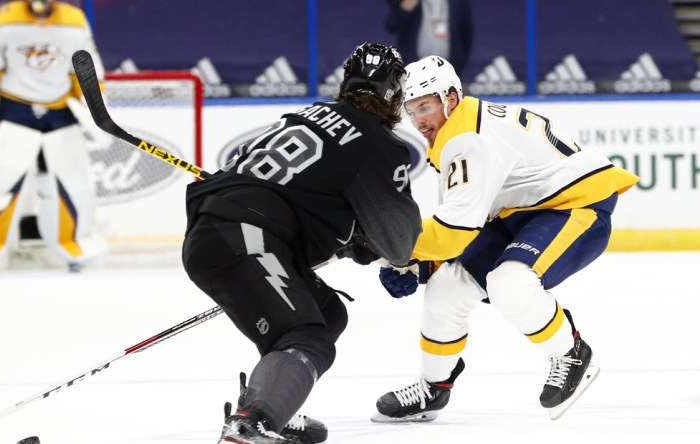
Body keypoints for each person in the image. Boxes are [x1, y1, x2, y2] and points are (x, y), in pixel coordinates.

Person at [372, 55, 639, 423]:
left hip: (577, 205)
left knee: (509, 283)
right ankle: (434, 386)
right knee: (447, 286)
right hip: (521, 213)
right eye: (412, 110)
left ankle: (571, 353)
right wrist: (420, 263)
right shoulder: (460, 126)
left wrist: (396, 252)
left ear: (450, 98)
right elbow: (465, 218)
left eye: (426, 106)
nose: (419, 120)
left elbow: (452, 233)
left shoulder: (467, 139)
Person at [182, 42, 422, 443]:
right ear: (395, 94)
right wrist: (364, 241)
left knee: (327, 315)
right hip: (247, 238)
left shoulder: (307, 115)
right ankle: (250, 423)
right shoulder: (378, 143)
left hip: (217, 232)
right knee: (307, 336)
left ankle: (276, 401)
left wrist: (351, 236)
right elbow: (399, 243)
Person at [0, 0, 107, 272]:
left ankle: (74, 247)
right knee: (1, 182)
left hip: (60, 114)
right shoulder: (6, 18)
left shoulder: (74, 20)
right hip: (14, 110)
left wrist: (95, 105)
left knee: (72, 184)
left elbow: (87, 70)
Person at [384, 0, 473, 75]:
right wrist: (404, 9)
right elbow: (392, 26)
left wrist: (459, 63)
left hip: (447, 69)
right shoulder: (411, 1)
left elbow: (466, 33)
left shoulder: (458, 2)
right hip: (413, 68)